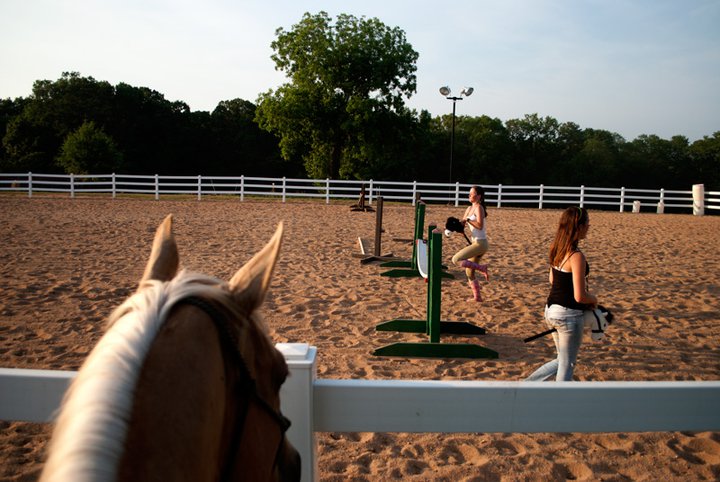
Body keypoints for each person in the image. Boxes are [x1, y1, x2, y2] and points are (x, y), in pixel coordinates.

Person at [525, 206, 599, 381]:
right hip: (568, 315)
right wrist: (594, 299)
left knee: (562, 360)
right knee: (567, 364)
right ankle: (559, 395)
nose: (589, 226)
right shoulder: (576, 256)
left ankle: (528, 385)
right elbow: (580, 296)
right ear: (579, 226)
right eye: (587, 223)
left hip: (551, 310)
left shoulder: (557, 248)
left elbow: (552, 279)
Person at [450, 185, 490, 302]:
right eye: (469, 193)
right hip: (475, 243)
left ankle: (482, 268)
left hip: (480, 244)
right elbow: (462, 224)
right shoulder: (468, 209)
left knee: (456, 259)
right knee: (469, 272)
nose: (469, 195)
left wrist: (468, 220)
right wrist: (453, 227)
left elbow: (479, 225)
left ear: (479, 196)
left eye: (472, 194)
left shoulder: (479, 208)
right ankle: (477, 297)